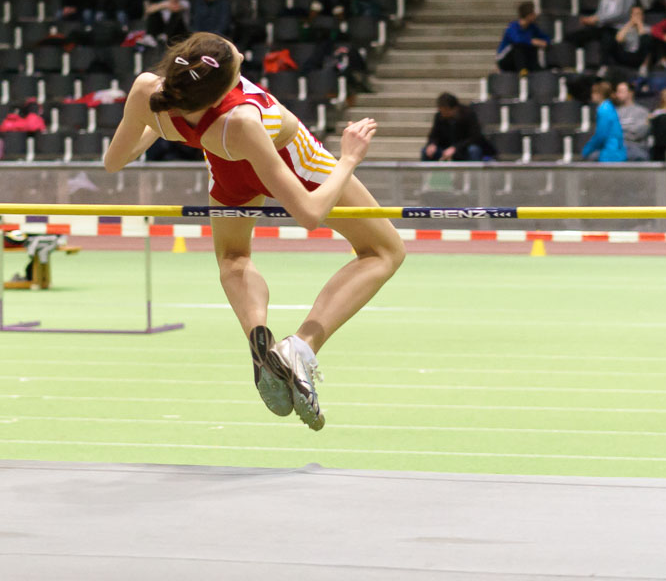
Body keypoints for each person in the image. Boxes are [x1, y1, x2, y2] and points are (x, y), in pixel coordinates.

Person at [102, 32, 405, 431]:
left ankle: (258, 334)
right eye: (233, 56)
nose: (238, 50)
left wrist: (157, 124)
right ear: (224, 84)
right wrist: (348, 158)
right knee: (383, 252)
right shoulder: (242, 119)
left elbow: (114, 161)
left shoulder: (147, 91)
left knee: (233, 259)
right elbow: (310, 215)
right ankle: (300, 348)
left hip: (227, 166)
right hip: (291, 160)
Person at [568, 0, 635, 59]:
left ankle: (605, 66)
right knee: (575, 36)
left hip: (620, 28)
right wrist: (590, 19)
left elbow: (620, 14)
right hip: (603, 26)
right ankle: (577, 62)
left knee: (606, 38)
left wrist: (597, 19)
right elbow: (599, 13)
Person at [421, 93, 495, 162]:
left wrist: (455, 148)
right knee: (426, 151)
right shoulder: (439, 117)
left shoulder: (468, 114)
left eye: (446, 111)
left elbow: (475, 137)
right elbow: (434, 135)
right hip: (446, 148)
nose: (444, 114)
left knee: (474, 150)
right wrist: (432, 144)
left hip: (463, 148)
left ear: (454, 108)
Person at [496, 2, 550, 75]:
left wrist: (545, 42)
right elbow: (517, 40)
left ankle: (536, 70)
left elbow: (545, 38)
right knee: (519, 46)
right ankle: (522, 70)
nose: (536, 16)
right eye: (533, 13)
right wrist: (532, 41)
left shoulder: (532, 27)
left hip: (521, 60)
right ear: (529, 15)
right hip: (505, 59)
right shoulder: (512, 26)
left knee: (532, 47)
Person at [582, 81, 626, 162]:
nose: (592, 95)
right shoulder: (608, 107)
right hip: (615, 149)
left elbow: (601, 135)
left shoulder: (604, 110)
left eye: (594, 93)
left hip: (610, 152)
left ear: (599, 94)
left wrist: (587, 150)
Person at [614, 81, 651, 160]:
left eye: (620, 92)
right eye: (617, 92)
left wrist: (620, 131)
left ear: (630, 93)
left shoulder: (642, 112)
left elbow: (638, 134)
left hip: (635, 148)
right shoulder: (613, 113)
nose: (617, 94)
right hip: (616, 147)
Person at [612, 5, 652, 72]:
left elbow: (646, 42)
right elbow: (618, 39)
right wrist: (630, 23)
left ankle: (644, 67)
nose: (636, 16)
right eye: (634, 14)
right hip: (626, 54)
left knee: (647, 41)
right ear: (630, 15)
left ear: (643, 16)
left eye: (639, 14)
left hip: (640, 56)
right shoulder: (625, 27)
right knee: (612, 41)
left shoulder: (647, 28)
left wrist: (639, 24)